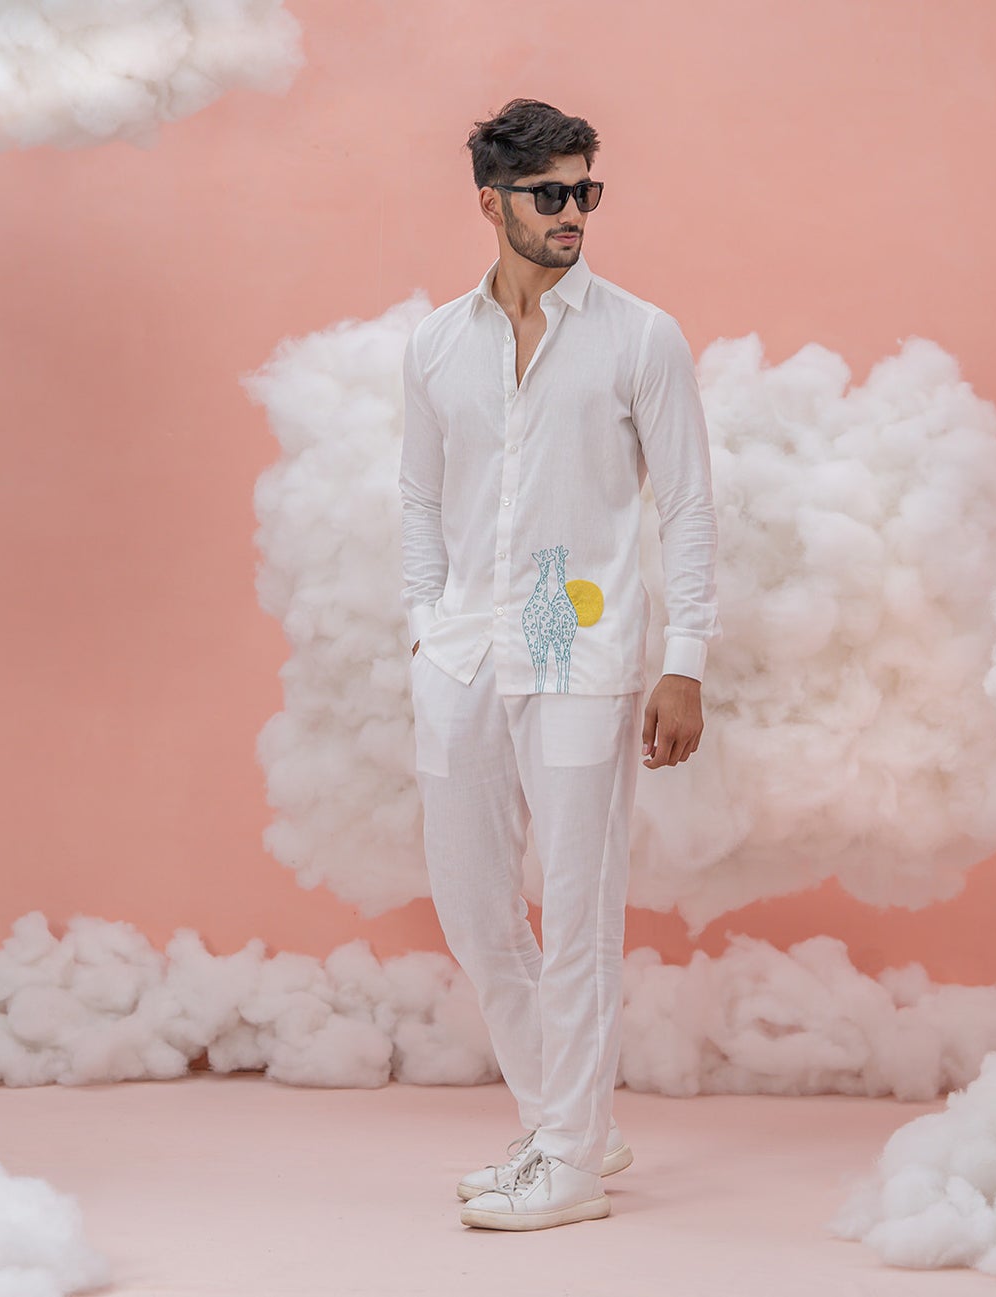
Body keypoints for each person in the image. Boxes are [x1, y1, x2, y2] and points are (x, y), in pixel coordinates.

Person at [398, 97, 720, 1231]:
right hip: (463, 654)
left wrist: (684, 660)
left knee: (579, 913)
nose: (574, 211)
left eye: (587, 189)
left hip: (581, 652)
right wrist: (423, 626)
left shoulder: (641, 336)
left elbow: (686, 504)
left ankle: (570, 1161)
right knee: (473, 908)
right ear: (492, 203)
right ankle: (565, 1124)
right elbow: (417, 497)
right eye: (550, 194)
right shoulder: (436, 345)